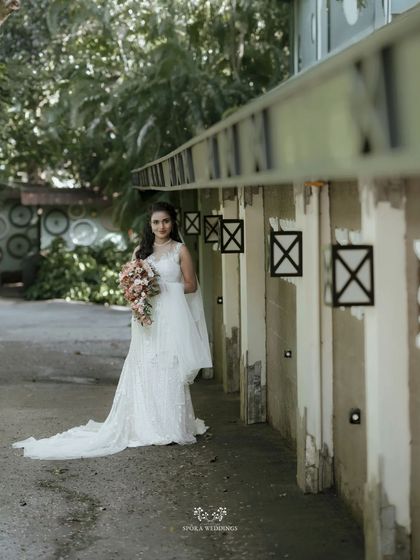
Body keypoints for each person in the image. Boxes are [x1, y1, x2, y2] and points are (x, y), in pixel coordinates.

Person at [12, 201, 213, 460]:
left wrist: (161, 288)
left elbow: (191, 285)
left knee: (169, 365)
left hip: (172, 317)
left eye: (165, 221)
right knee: (147, 365)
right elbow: (130, 286)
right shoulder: (141, 252)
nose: (161, 226)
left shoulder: (180, 250)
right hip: (148, 319)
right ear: (149, 225)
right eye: (156, 222)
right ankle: (145, 423)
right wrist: (140, 290)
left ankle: (173, 426)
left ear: (172, 222)